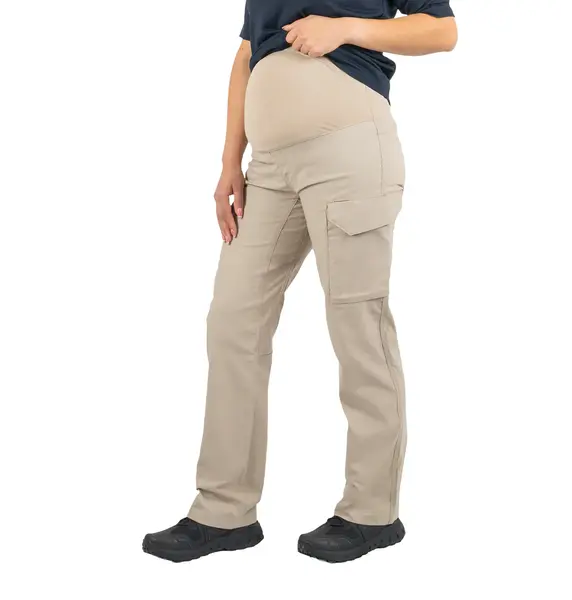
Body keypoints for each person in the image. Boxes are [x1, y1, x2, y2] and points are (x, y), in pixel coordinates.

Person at [143, 0, 457, 564]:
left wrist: (345, 29)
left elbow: (442, 30)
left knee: (357, 325)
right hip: (269, 167)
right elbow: (247, 53)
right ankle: (224, 510)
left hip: (350, 148)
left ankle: (372, 512)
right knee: (233, 321)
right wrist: (229, 162)